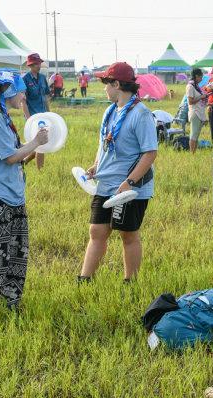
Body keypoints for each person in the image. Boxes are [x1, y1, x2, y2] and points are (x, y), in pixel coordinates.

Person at [0, 71, 49, 319]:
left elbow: (16, 157)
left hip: (13, 196)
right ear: (8, 92)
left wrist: (33, 150)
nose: (25, 95)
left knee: (17, 254)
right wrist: (35, 142)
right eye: (21, 91)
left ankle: (12, 303)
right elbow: (9, 157)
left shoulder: (4, 119)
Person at [78, 62, 158, 283]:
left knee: (127, 234)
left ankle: (129, 282)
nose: (104, 88)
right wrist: (96, 165)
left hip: (129, 189)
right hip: (106, 183)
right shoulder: (110, 111)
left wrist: (130, 182)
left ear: (117, 84)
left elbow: (149, 153)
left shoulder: (141, 114)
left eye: (106, 83)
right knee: (96, 231)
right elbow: (103, 144)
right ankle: (84, 279)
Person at [22, 53, 50, 169]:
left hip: (44, 116)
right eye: (37, 63)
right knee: (40, 144)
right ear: (31, 65)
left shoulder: (43, 78)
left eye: (39, 63)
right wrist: (29, 119)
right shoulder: (25, 79)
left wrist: (50, 114)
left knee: (40, 143)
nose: (39, 65)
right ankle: (40, 171)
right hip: (33, 117)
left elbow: (46, 98)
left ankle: (24, 161)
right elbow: (23, 101)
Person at [186, 68, 208, 153]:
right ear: (196, 76)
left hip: (200, 112)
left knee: (197, 134)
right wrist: (201, 97)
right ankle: (192, 154)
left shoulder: (196, 86)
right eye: (201, 77)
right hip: (195, 112)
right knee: (193, 134)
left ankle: (194, 152)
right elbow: (190, 102)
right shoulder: (190, 86)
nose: (202, 79)